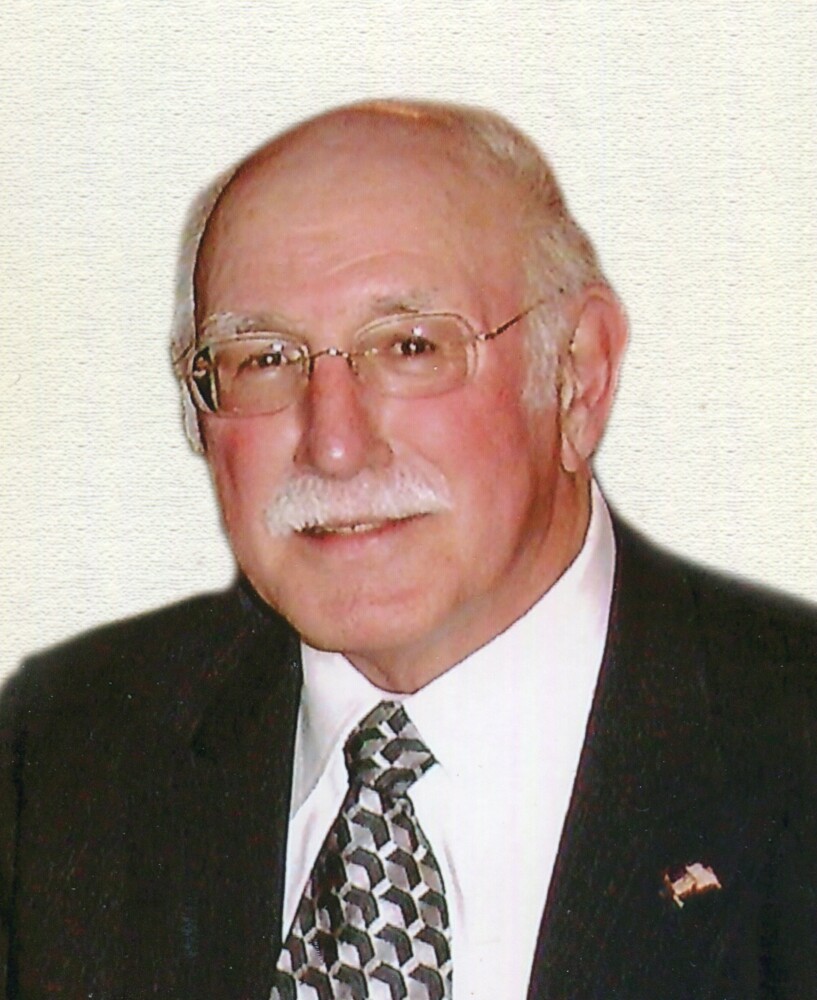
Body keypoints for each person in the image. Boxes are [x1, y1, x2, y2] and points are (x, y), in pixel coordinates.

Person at [1, 99, 815, 1000]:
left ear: (576, 375)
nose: (333, 444)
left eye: (410, 346)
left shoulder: (790, 751)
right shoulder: (57, 763)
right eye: (263, 358)